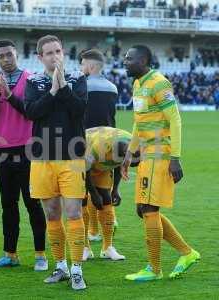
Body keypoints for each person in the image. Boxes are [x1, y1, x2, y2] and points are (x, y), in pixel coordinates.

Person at [122, 45, 200, 281]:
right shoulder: (138, 84)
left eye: (129, 58)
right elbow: (139, 121)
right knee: (142, 209)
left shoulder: (159, 82)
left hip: (161, 152)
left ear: (144, 60)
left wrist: (175, 157)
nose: (125, 62)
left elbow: (174, 119)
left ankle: (154, 269)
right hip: (146, 153)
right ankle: (187, 253)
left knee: (149, 209)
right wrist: (129, 152)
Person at [24, 35, 88, 290]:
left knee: (73, 212)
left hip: (72, 157)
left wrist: (62, 85)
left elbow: (79, 110)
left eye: (58, 51)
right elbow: (32, 112)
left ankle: (76, 268)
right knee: (52, 213)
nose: (55, 56)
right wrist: (51, 89)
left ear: (64, 53)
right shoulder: (34, 82)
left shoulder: (78, 79)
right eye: (49, 53)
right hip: (42, 157)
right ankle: (60, 264)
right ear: (40, 57)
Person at [0, 39, 47, 271]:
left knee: (33, 204)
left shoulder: (31, 79)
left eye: (9, 54)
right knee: (8, 205)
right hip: (3, 152)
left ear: (16, 54)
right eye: (1, 56)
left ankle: (40, 255)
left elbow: (31, 112)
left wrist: (8, 95)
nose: (6, 59)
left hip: (28, 150)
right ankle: (10, 254)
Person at [79, 48, 119, 243]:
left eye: (82, 63)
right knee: (102, 190)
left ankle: (90, 235)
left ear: (91, 65)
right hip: (108, 144)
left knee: (85, 193)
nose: (80, 67)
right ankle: (97, 233)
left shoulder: (81, 85)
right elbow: (113, 119)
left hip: (85, 142)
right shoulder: (113, 87)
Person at [82, 127, 136, 262]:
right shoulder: (99, 147)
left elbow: (118, 165)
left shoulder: (132, 144)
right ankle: (84, 248)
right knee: (81, 201)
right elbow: (85, 169)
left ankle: (107, 248)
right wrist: (93, 194)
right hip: (80, 163)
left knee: (107, 199)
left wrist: (115, 189)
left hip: (102, 165)